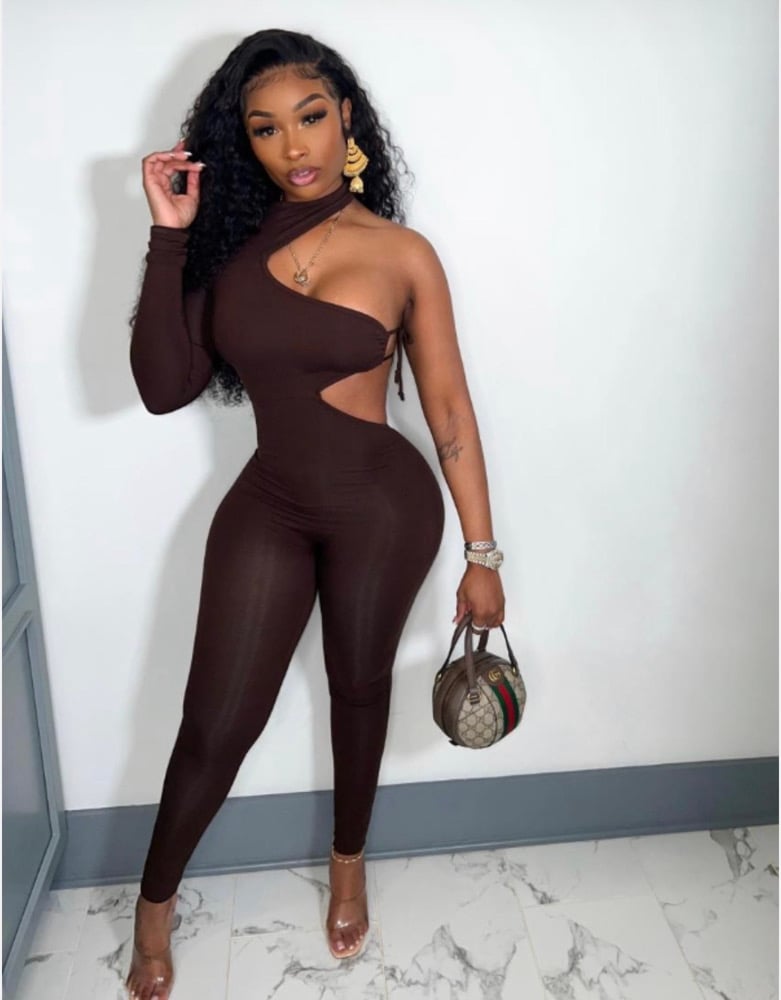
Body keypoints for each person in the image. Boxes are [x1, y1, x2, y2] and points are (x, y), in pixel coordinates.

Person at [125, 27, 505, 1000]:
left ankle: (347, 866)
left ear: (346, 120)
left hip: (384, 507)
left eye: (309, 117)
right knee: (216, 722)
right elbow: (163, 388)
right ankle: (153, 907)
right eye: (265, 129)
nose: (293, 146)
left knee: (357, 687)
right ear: (242, 142)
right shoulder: (228, 249)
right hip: (271, 504)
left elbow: (448, 409)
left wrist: (483, 552)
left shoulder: (402, 254)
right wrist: (169, 235)